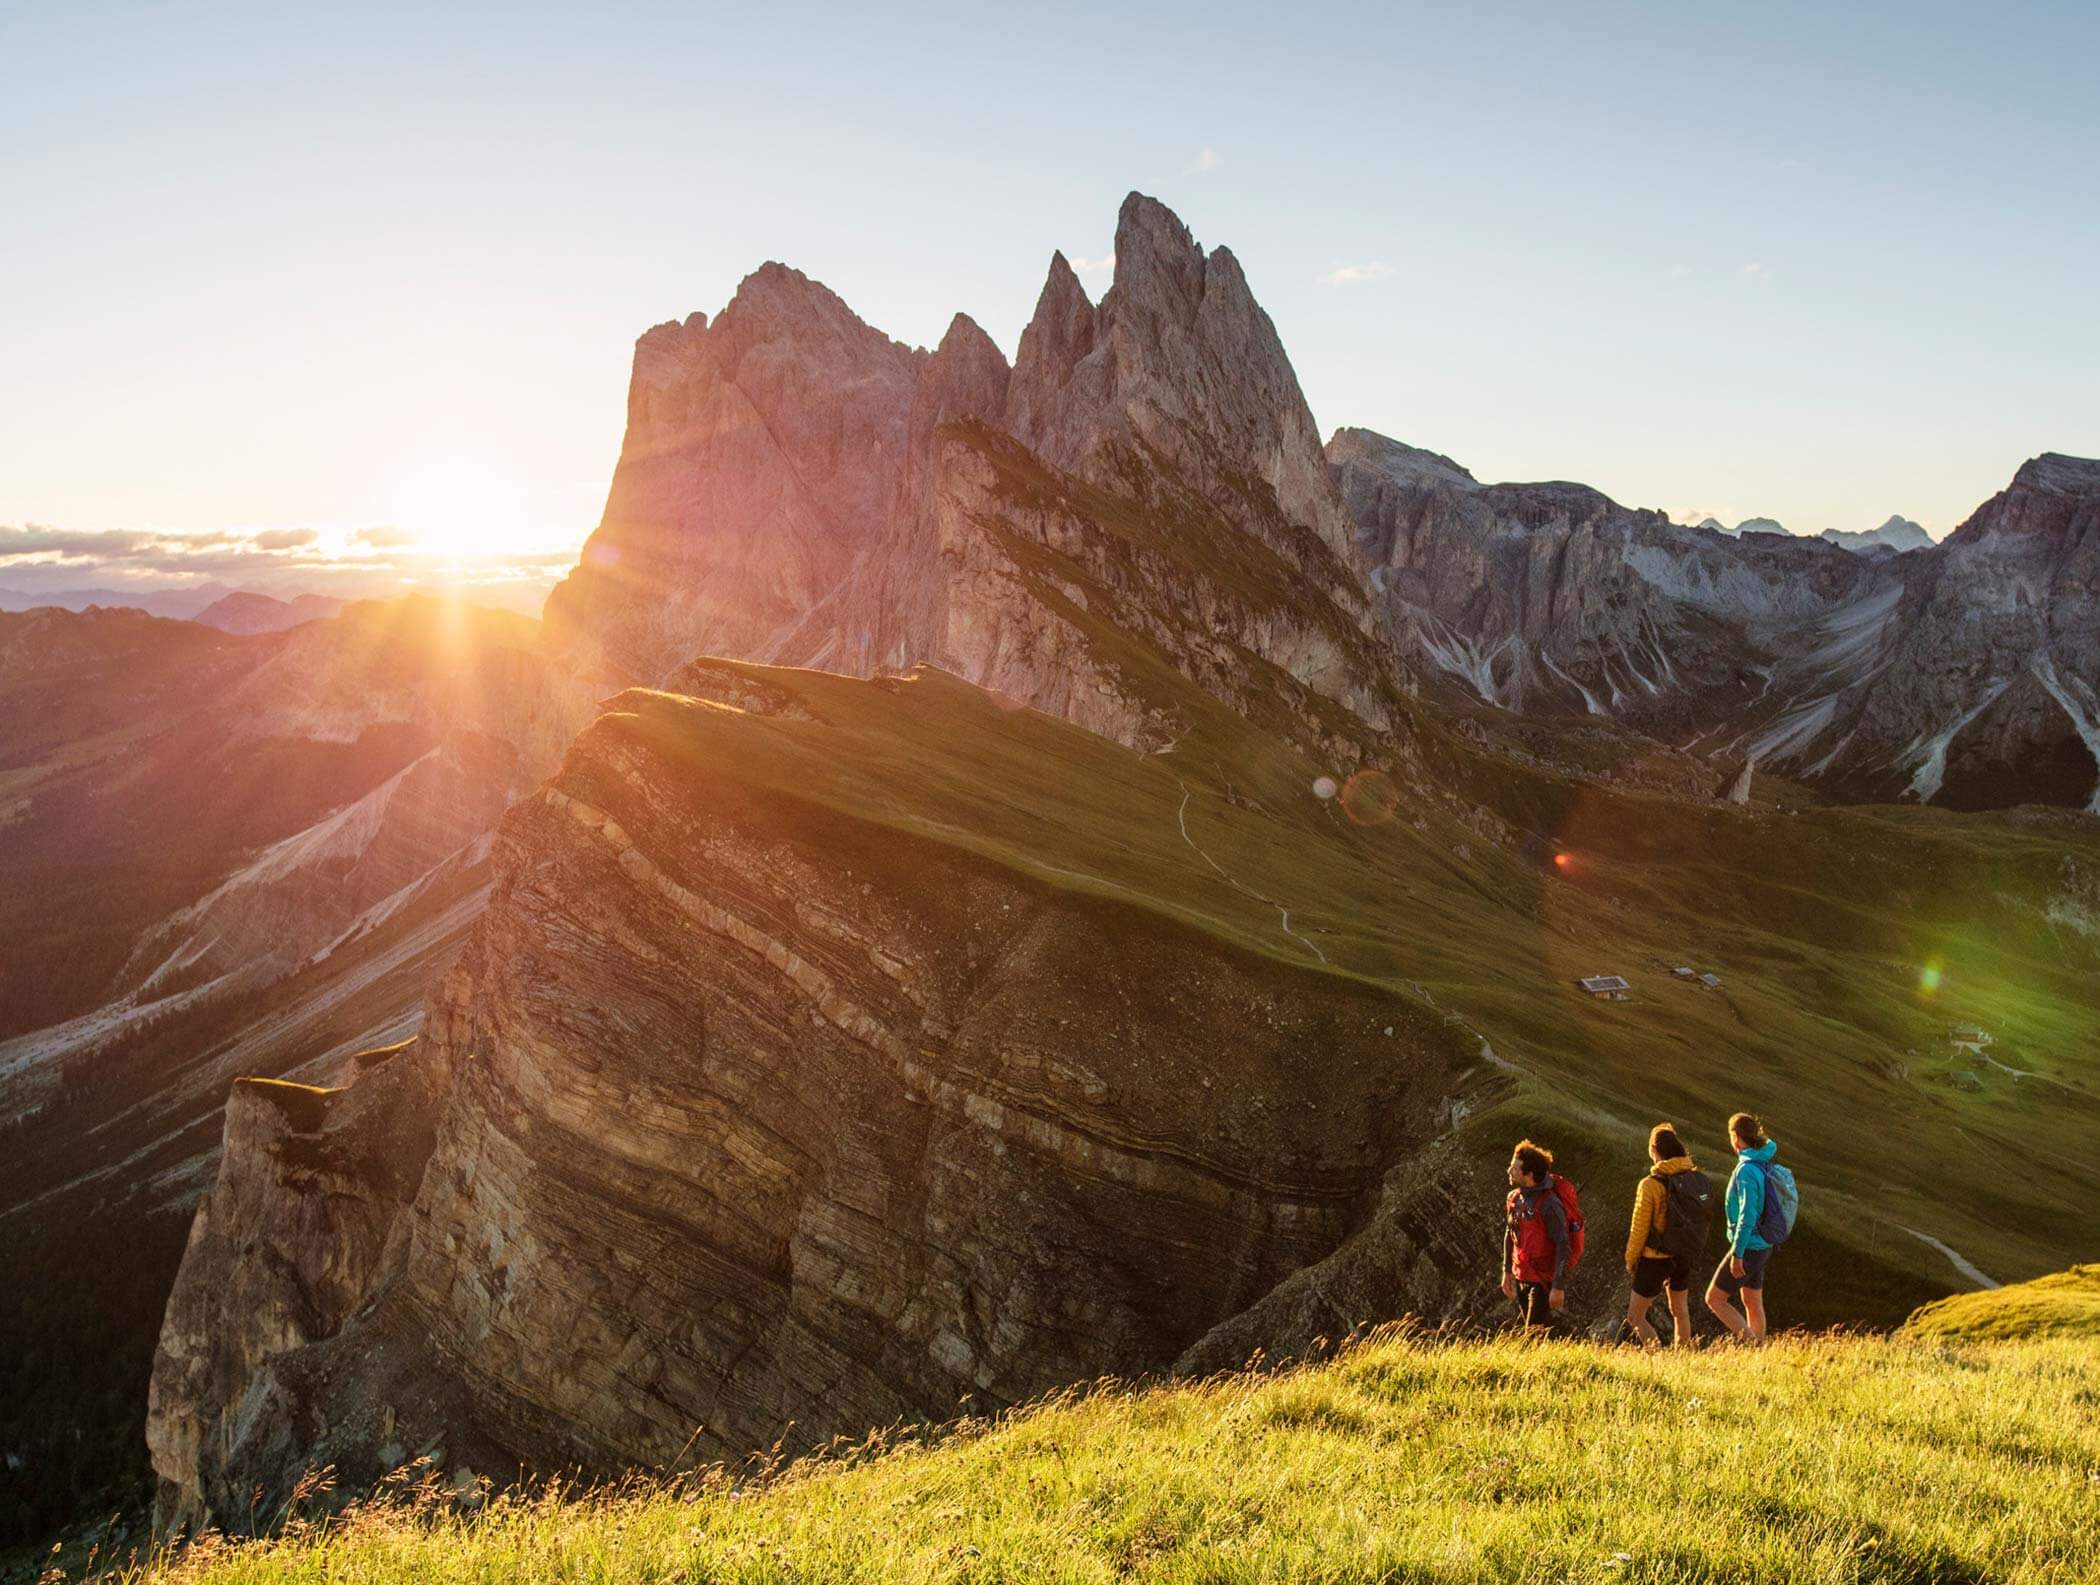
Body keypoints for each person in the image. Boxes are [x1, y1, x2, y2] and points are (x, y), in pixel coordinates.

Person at [1623, 1123, 1711, 1349]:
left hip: (1656, 1257)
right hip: (1684, 1254)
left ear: (1654, 1149)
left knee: (1635, 1317)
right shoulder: (1694, 1178)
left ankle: (1657, 1356)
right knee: (1680, 1311)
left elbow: (1639, 1227)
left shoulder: (1650, 1185)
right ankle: (1683, 1355)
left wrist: (1631, 1258)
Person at [1706, 1111, 1780, 1343]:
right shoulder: (1764, 1162)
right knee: (1752, 1301)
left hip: (1748, 1245)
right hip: (1763, 1245)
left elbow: (1747, 1215)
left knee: (1714, 1299)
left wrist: (1737, 1254)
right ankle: (1758, 1353)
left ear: (1736, 1137)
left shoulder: (1747, 1170)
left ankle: (1751, 1346)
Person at [1500, 1138, 1571, 1330]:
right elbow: (1510, 1233)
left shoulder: (1549, 1204)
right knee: (1533, 1331)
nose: (1509, 1171)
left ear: (1529, 1175)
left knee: (1533, 1332)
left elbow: (1563, 1244)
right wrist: (1507, 1271)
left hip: (1542, 1280)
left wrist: (1557, 1286)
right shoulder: (1514, 1198)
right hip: (1522, 1275)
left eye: (1514, 1169)